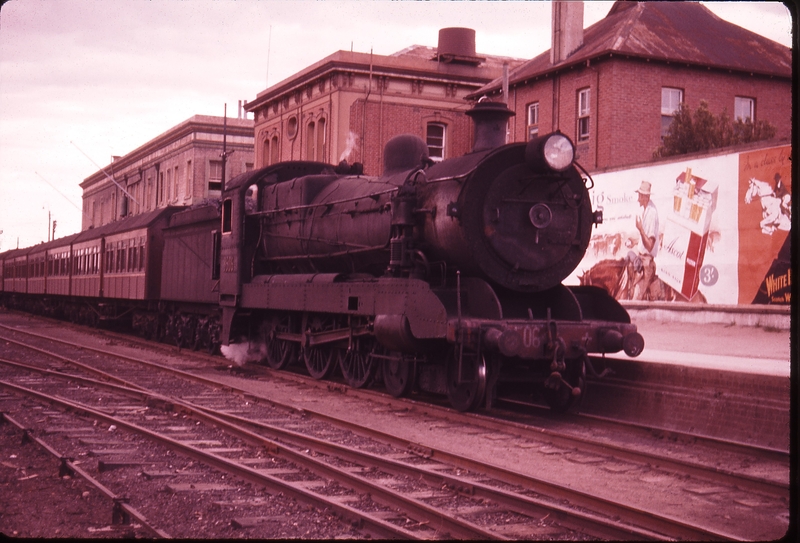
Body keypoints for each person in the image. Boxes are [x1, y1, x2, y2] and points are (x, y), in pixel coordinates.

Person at [626, 180, 659, 300]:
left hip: (646, 264)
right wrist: (635, 241)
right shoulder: (646, 210)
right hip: (642, 259)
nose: (638, 199)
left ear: (645, 196)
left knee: (635, 299)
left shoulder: (651, 214)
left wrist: (640, 229)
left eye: (639, 196)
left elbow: (650, 245)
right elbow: (645, 240)